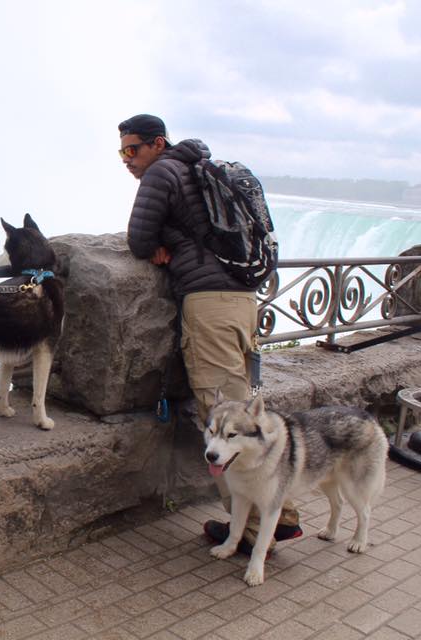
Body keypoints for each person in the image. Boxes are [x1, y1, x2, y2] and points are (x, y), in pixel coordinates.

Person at [118, 113, 300, 553]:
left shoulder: (162, 172)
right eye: (121, 152)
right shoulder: (197, 169)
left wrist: (159, 243)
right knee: (249, 416)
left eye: (132, 149)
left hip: (210, 304)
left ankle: (260, 531)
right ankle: (279, 517)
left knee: (223, 420)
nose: (126, 160)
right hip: (240, 301)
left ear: (157, 144)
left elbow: (138, 240)